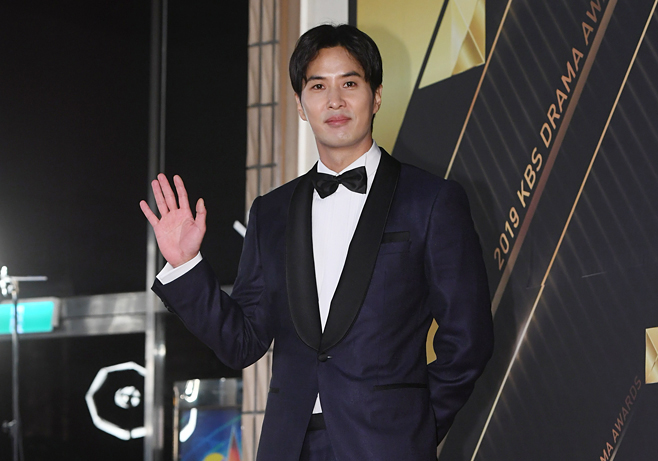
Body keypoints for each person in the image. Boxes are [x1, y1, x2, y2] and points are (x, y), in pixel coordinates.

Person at [141, 24, 493, 461]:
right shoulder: (270, 212)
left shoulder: (432, 200)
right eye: (318, 86)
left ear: (376, 96)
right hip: (289, 447)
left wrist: (413, 429)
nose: (335, 100)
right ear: (301, 104)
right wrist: (186, 265)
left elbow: (468, 339)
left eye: (350, 83)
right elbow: (242, 342)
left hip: (388, 446)